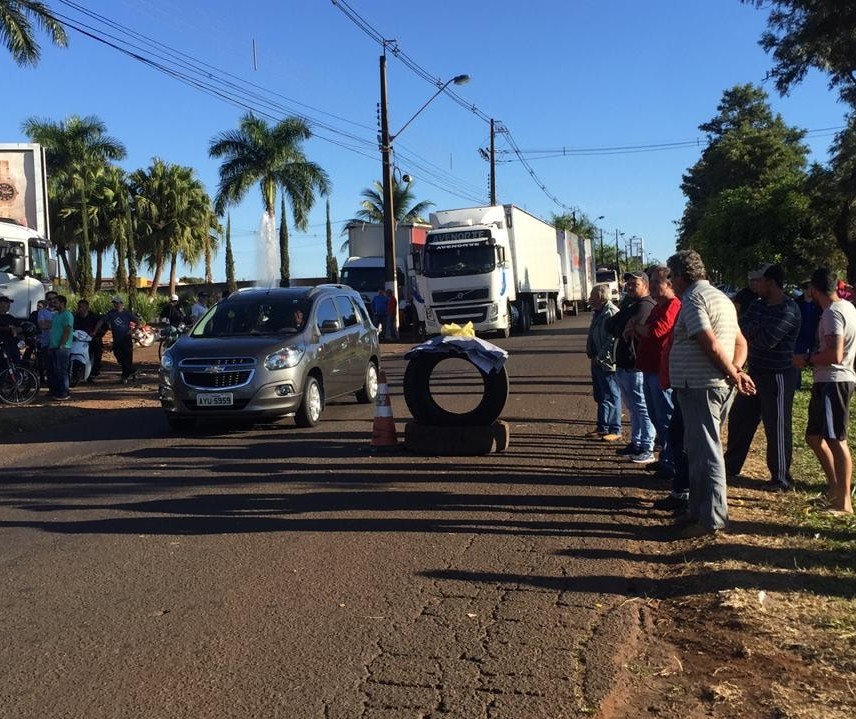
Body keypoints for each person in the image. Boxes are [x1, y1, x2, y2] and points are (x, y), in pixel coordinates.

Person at [667, 250, 755, 537]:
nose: (671, 282)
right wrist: (737, 370)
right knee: (699, 450)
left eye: (671, 277)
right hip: (715, 384)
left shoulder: (693, 299)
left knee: (706, 453)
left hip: (701, 386)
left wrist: (732, 372)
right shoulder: (722, 299)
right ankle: (697, 511)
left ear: (681, 276)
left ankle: (712, 519)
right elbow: (741, 342)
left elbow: (711, 344)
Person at [725, 263, 801, 491]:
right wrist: (754, 331)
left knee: (776, 425)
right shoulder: (757, 304)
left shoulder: (789, 309)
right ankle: (730, 467)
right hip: (755, 372)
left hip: (778, 375)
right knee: (739, 419)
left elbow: (768, 340)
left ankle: (780, 478)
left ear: (772, 283)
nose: (755, 285)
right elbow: (741, 330)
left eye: (760, 281)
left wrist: (753, 331)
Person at [793, 268, 856, 515]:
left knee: (836, 439)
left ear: (814, 290)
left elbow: (834, 354)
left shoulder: (832, 313)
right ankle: (834, 490)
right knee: (814, 437)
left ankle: (844, 503)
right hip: (828, 380)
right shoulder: (847, 308)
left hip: (835, 380)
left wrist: (807, 359)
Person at [632, 266, 681, 479]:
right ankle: (665, 458)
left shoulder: (673, 305)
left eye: (655, 283)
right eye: (650, 283)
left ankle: (671, 464)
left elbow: (656, 331)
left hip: (661, 371)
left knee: (665, 417)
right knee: (655, 416)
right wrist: (640, 328)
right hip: (649, 369)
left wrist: (638, 328)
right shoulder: (658, 306)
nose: (651, 288)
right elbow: (646, 328)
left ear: (669, 284)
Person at [608, 271, 657, 463]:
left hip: (635, 366)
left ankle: (647, 446)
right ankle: (636, 443)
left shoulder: (645, 306)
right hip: (624, 364)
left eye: (634, 284)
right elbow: (611, 326)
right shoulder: (631, 305)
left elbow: (622, 327)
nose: (629, 287)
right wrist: (624, 324)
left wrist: (626, 325)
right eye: (627, 284)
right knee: (633, 408)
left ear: (645, 285)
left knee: (642, 407)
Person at [585, 283, 622, 442]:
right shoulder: (599, 312)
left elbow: (612, 339)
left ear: (600, 297)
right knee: (601, 395)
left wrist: (600, 356)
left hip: (606, 362)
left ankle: (615, 429)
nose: (589, 299)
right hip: (597, 361)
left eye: (592, 296)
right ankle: (602, 427)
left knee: (611, 395)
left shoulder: (611, 313)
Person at [95, 296, 140, 384]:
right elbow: (102, 321)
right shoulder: (111, 313)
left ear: (122, 304)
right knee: (118, 355)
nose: (116, 305)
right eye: (114, 303)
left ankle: (125, 376)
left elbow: (137, 322)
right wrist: (95, 330)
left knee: (127, 357)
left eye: (117, 303)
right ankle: (132, 370)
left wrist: (133, 331)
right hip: (117, 339)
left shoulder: (127, 313)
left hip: (126, 338)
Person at [47, 294, 74, 400]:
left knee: (62, 370)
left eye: (56, 302)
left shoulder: (67, 315)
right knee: (55, 370)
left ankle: (64, 392)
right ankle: (57, 391)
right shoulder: (56, 315)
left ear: (62, 303)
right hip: (54, 346)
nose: (53, 304)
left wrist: (62, 344)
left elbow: (67, 331)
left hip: (63, 347)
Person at [74, 299, 103, 382]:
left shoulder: (94, 317)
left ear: (86, 307)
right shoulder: (76, 317)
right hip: (80, 341)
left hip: (92, 340)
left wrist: (95, 334)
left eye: (80, 306)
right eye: (78, 306)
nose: (78, 308)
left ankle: (94, 372)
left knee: (97, 351)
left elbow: (103, 327)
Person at [37, 291, 57, 385]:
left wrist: (48, 323)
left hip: (60, 344)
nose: (52, 301)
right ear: (46, 300)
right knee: (49, 368)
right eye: (49, 299)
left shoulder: (62, 312)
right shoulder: (42, 312)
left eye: (54, 299)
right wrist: (57, 323)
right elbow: (42, 326)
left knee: (59, 368)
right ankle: (52, 388)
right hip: (46, 343)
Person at [0, 295, 21, 360]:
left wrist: (17, 329)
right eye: (6, 303)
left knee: (17, 366)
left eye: (9, 303)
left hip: (13, 345)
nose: (8, 305)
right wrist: (9, 328)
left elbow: (20, 327)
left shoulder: (10, 317)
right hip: (2, 346)